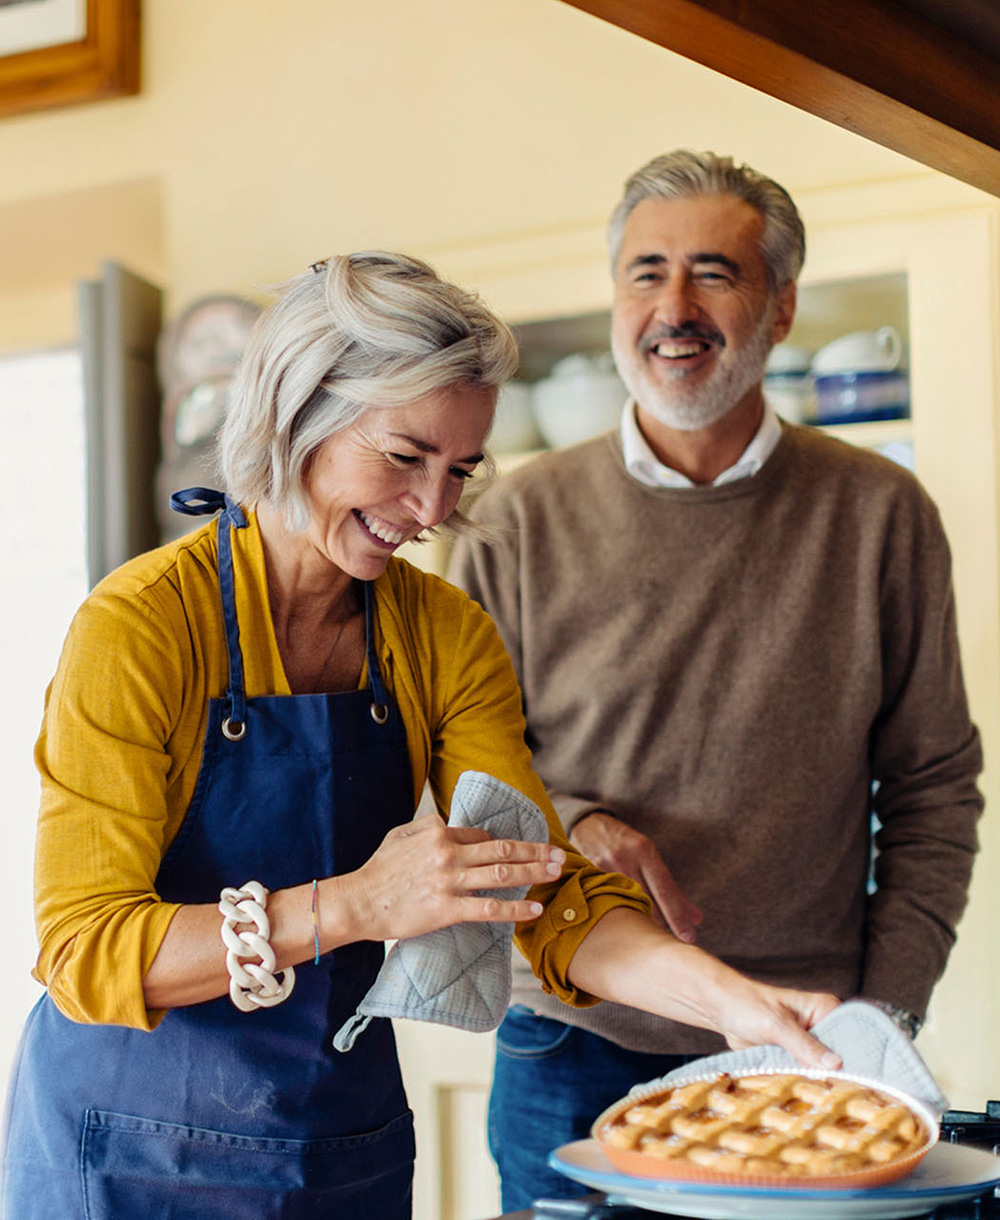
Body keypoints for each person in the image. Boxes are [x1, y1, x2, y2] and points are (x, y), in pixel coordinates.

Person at [1, 251, 843, 1220]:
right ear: (296, 411)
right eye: (404, 457)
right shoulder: (142, 625)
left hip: (336, 1138)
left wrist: (732, 1003)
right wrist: (357, 903)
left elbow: (536, 883)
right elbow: (86, 947)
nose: (434, 509)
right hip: (127, 1152)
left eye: (460, 469)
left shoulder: (442, 633)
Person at [448, 152, 985, 1210]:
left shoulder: (880, 513)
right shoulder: (512, 519)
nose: (673, 308)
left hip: (807, 1041)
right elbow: (461, 785)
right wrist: (580, 824)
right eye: (645, 272)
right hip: (568, 1036)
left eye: (713, 274)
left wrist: (881, 1010)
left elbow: (932, 788)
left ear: (781, 307)